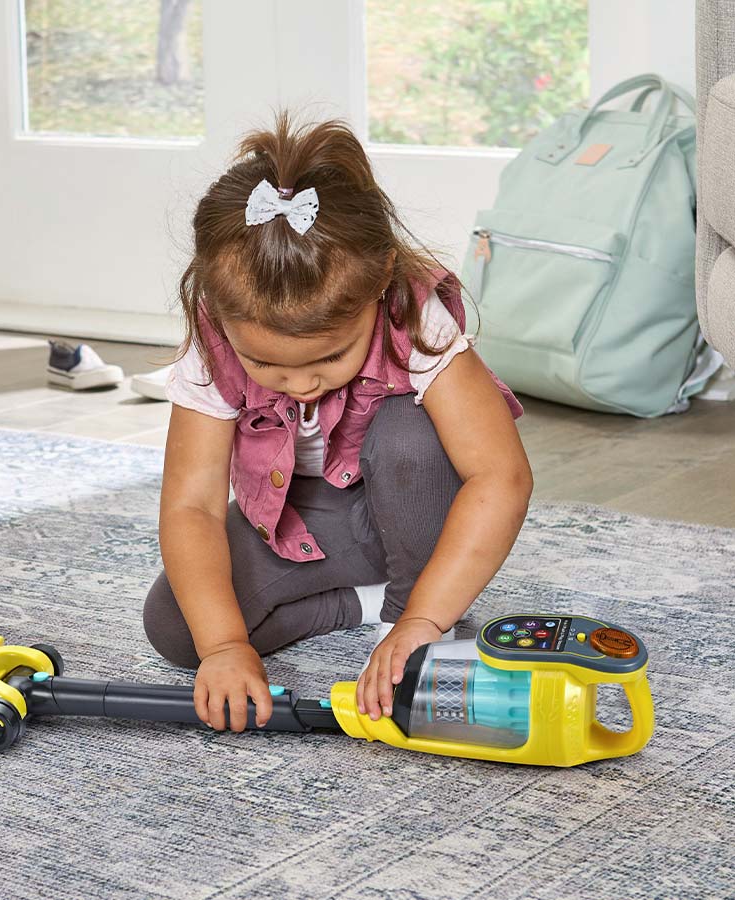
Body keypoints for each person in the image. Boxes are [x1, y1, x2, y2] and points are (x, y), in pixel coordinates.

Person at [143, 110, 533, 734]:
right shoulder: (212, 342)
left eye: (329, 358)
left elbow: (500, 476)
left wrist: (421, 621)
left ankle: (411, 605)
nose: (301, 384)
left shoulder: (413, 316)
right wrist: (224, 646)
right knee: (177, 628)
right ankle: (362, 602)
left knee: (409, 436)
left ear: (380, 282)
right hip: (307, 521)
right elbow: (192, 506)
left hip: (410, 509)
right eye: (265, 363)